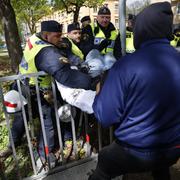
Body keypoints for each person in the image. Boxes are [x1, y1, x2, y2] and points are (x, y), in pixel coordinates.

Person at [89, 2, 180, 180]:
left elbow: (105, 116)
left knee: (105, 160)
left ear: (141, 29)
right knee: (162, 167)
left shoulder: (125, 66)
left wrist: (100, 92)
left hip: (135, 151)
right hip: (174, 147)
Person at [0, 20, 93, 163]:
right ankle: (44, 157)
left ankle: (15, 145)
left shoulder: (35, 38)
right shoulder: (46, 52)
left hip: (23, 85)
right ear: (46, 35)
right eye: (57, 36)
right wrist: (92, 81)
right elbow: (65, 75)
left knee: (22, 119)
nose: (60, 38)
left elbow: (65, 53)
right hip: (35, 91)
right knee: (47, 125)